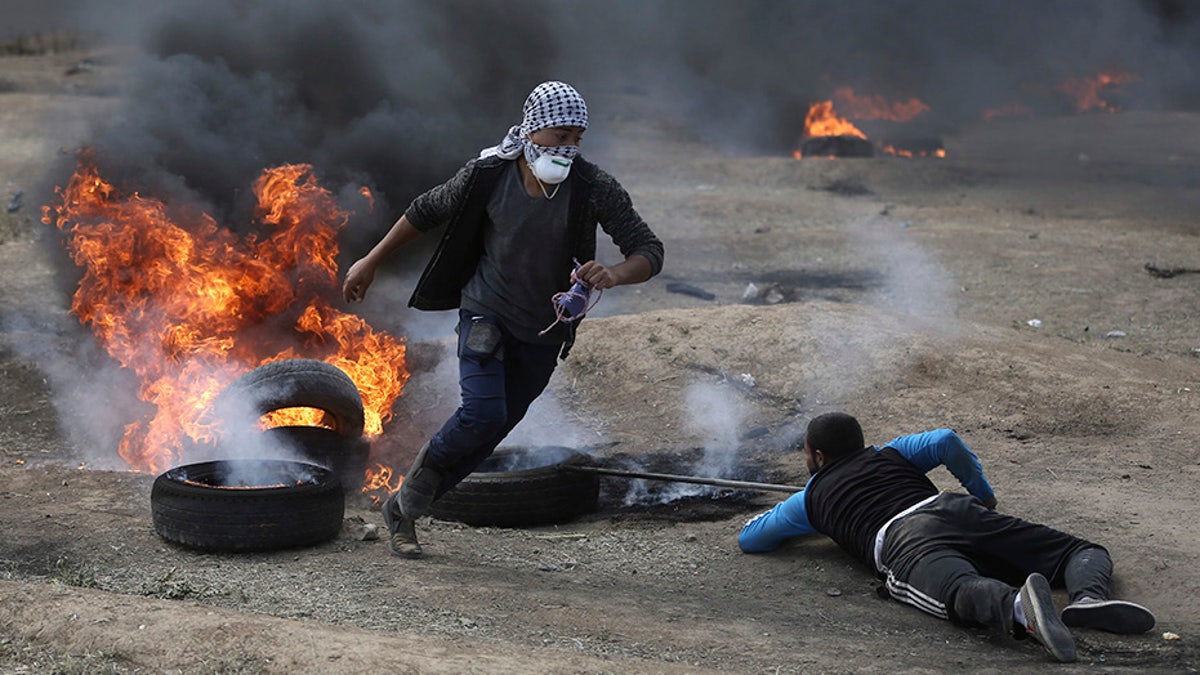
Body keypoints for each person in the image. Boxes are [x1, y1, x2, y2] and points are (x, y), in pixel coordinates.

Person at [342, 81, 664, 559]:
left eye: (577, 137)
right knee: (482, 413)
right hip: (485, 313)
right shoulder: (487, 175)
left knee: (492, 430)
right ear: (533, 130)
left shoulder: (593, 188)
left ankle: (402, 507)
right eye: (560, 135)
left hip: (544, 331)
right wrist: (371, 260)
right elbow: (425, 210)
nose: (568, 147)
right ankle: (407, 512)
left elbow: (649, 250)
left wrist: (613, 274)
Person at [738, 412, 1155, 663]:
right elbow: (944, 441)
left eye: (806, 454)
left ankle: (1018, 608)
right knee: (1079, 551)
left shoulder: (811, 499)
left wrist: (814, 511)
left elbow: (752, 539)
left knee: (956, 589)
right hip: (955, 509)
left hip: (904, 541)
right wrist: (984, 495)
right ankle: (1088, 597)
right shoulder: (892, 453)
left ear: (819, 457)